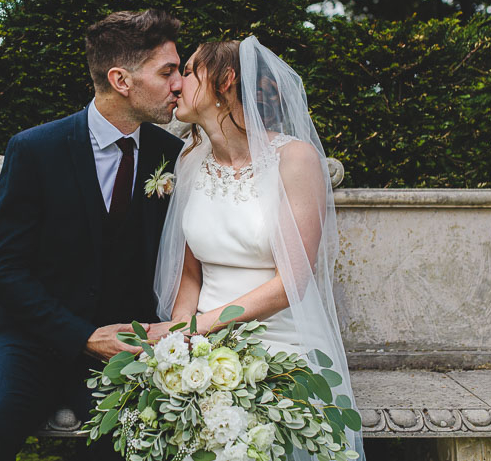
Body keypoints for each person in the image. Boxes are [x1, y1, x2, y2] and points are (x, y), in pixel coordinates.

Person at [0, 10, 185, 461]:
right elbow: (1, 270)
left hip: (125, 346)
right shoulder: (36, 149)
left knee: (135, 443)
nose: (179, 83)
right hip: (28, 340)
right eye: (167, 71)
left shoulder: (173, 155)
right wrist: (81, 334)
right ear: (121, 80)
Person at [153, 36, 366, 460]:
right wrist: (180, 338)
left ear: (225, 81)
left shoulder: (295, 160)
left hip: (281, 341)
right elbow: (190, 273)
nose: (176, 85)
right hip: (204, 340)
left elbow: (293, 281)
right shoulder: (189, 161)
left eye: (190, 72)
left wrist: (203, 326)